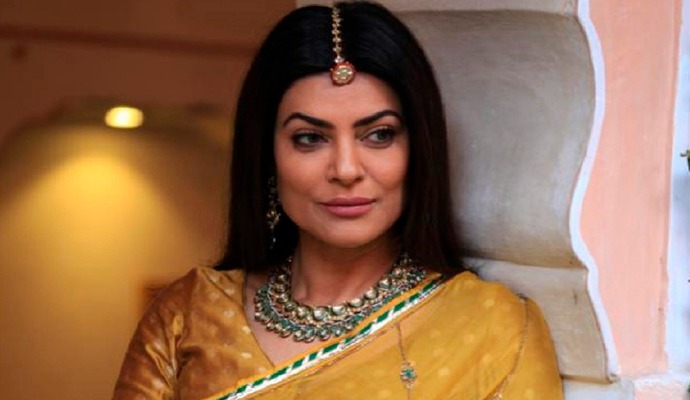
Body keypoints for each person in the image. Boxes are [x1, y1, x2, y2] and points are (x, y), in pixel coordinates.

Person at [112, 2, 563, 399]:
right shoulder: (189, 316)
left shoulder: (488, 326)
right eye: (310, 138)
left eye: (379, 135)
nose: (346, 169)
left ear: (419, 151)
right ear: (267, 156)